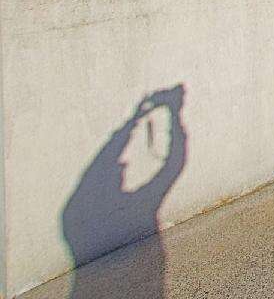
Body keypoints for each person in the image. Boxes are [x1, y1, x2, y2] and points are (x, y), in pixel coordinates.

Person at [61, 85, 187, 299]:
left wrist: (134, 121)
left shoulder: (71, 217)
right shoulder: (139, 208)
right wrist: (173, 111)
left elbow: (95, 170)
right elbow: (174, 164)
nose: (124, 164)